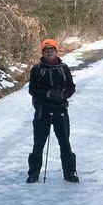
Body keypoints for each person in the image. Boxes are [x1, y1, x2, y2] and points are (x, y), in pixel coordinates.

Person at [27, 38, 78, 183]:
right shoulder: (36, 69)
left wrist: (63, 95)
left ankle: (69, 173)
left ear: (56, 51)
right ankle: (33, 173)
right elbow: (32, 89)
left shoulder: (64, 68)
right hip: (42, 111)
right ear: (42, 52)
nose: (49, 52)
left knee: (65, 143)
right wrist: (47, 94)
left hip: (61, 110)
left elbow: (71, 86)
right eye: (46, 49)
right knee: (38, 144)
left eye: (52, 49)